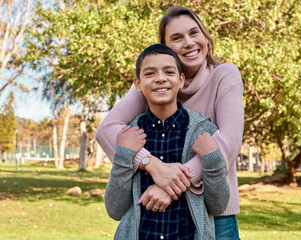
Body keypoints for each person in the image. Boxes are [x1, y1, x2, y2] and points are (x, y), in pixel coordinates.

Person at [96, 6, 244, 239]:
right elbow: (106, 130)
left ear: (205, 37)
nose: (188, 42)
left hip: (213, 208)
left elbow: (228, 142)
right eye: (177, 38)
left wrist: (170, 185)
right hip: (155, 211)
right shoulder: (154, 81)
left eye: (194, 33)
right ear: (166, 47)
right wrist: (152, 164)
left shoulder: (224, 75)